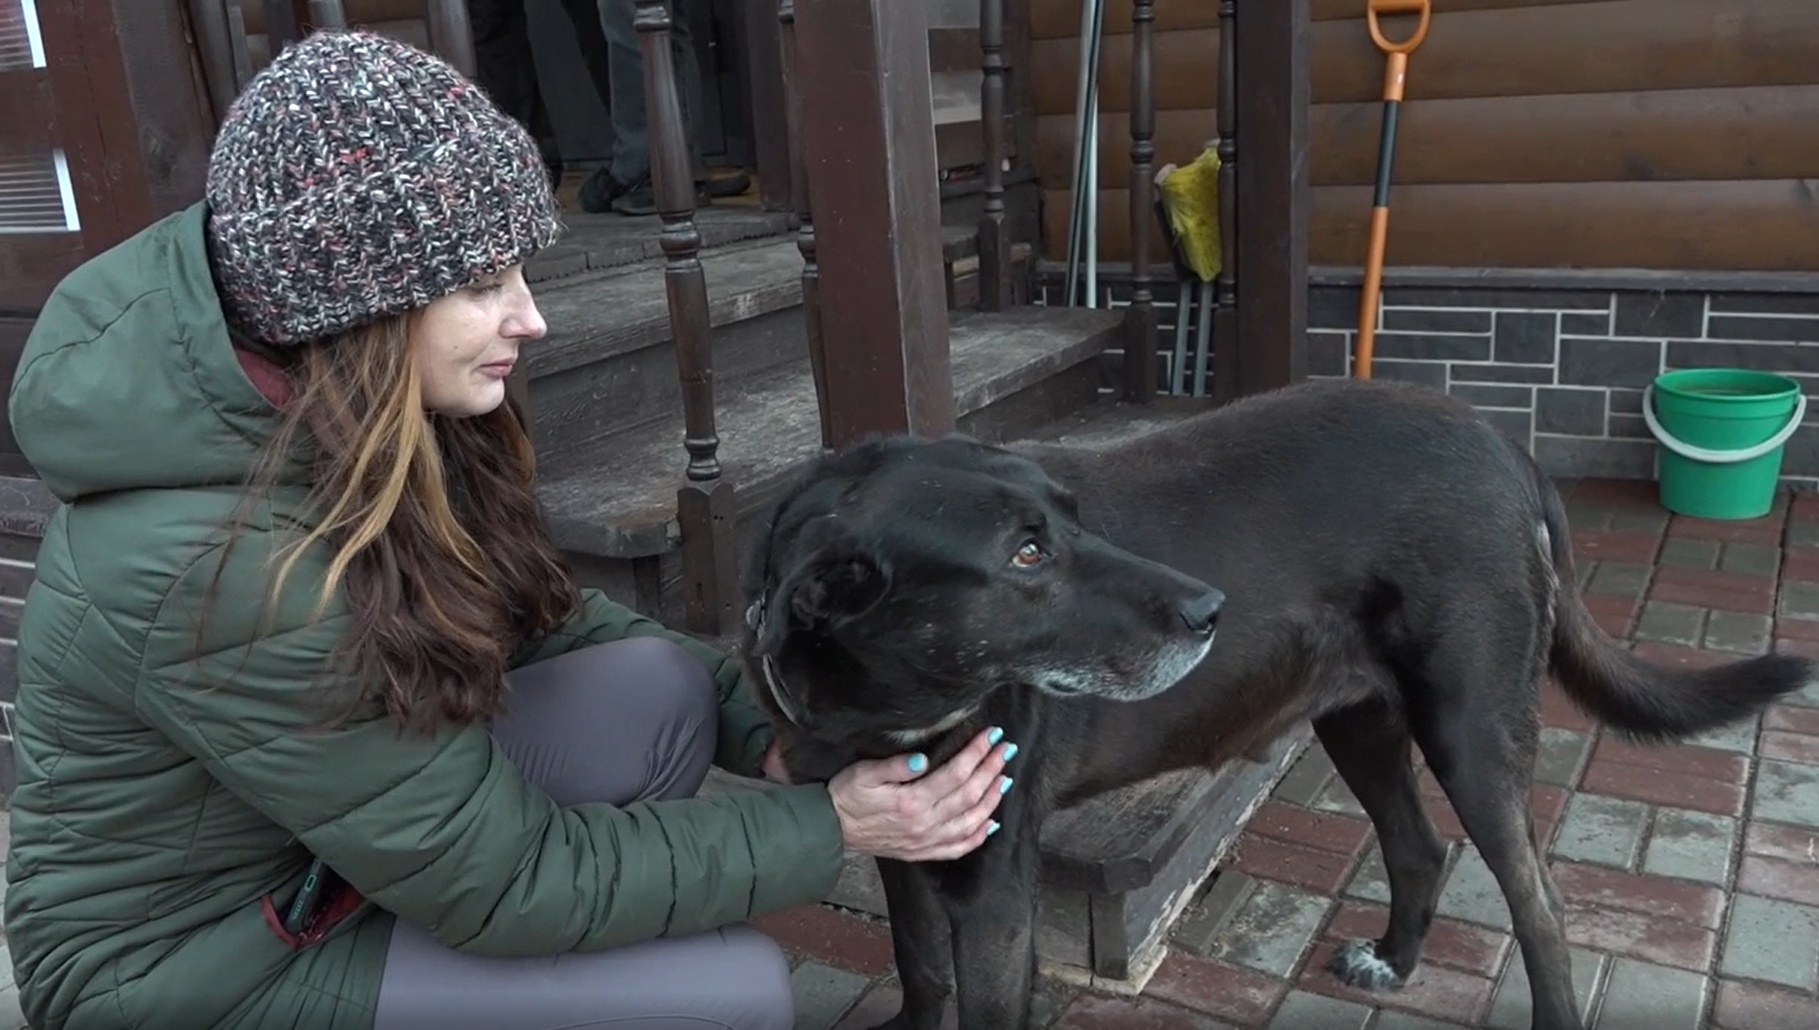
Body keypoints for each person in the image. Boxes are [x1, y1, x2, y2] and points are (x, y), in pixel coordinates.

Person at [2, 30, 1014, 1030]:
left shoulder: (356, 416)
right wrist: (832, 827)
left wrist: (778, 735)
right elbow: (505, 878)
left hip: (323, 854)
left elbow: (555, 623)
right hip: (195, 965)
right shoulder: (225, 566)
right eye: (484, 285)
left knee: (664, 692)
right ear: (362, 312)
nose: (531, 319)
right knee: (733, 991)